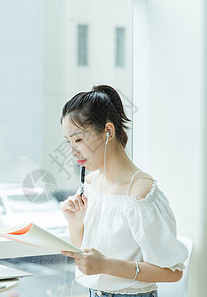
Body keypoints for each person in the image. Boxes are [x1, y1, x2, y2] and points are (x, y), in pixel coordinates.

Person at [60, 85, 188, 297]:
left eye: (79, 139)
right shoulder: (91, 185)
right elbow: (88, 263)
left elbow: (172, 272)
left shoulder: (141, 194)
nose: (73, 152)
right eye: (69, 142)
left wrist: (107, 265)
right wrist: (75, 224)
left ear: (108, 131)